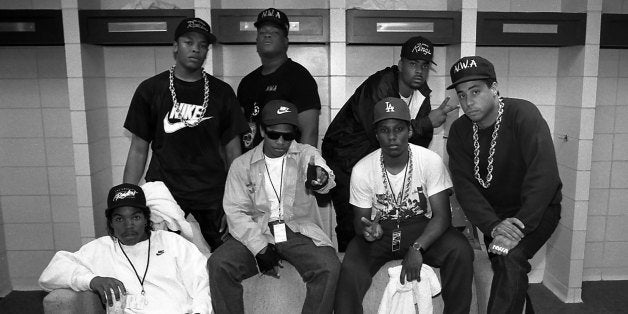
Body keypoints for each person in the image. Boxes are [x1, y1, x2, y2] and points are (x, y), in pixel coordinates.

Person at [334, 98, 474, 314]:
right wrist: (367, 230)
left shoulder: (429, 160)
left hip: (419, 226)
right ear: (376, 134)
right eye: (384, 130)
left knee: (460, 249)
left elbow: (442, 216)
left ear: (409, 131)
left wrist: (418, 248)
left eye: (398, 129)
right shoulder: (362, 169)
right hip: (382, 231)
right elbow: (359, 221)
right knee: (351, 266)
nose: (392, 137)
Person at [445, 56, 562, 313]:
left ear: (494, 88)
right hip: (495, 219)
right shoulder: (459, 132)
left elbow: (544, 177)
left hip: (537, 212)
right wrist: (494, 226)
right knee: (507, 266)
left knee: (509, 258)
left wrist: (518, 227)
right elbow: (465, 188)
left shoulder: (523, 115)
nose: (468, 101)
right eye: (462, 95)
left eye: (476, 91)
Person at [122, 17, 248, 252]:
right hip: (165, 191)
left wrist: (235, 201)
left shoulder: (222, 93)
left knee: (222, 260)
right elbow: (138, 149)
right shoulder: (151, 89)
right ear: (175, 46)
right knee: (162, 257)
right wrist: (126, 198)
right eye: (189, 42)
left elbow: (234, 152)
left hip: (212, 193)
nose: (196, 49)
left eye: (202, 45)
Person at [322, 36, 458, 251]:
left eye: (424, 65)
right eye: (413, 64)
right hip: (345, 160)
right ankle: (348, 264)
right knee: (352, 222)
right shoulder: (381, 85)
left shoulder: (421, 94)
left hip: (379, 164)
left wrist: (425, 126)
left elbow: (419, 142)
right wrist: (427, 122)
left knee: (387, 221)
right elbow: (380, 132)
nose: (419, 71)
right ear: (401, 64)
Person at [208, 100, 340, 314]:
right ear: (262, 130)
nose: (281, 141)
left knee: (329, 267)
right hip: (257, 228)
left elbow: (324, 177)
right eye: (274, 134)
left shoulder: (306, 153)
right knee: (218, 264)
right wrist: (260, 247)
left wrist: (320, 178)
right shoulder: (242, 164)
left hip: (298, 230)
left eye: (288, 136)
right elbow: (235, 211)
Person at [39, 183, 211, 313]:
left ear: (146, 218)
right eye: (119, 219)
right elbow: (50, 274)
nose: (128, 225)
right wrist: (92, 280)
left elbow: (203, 286)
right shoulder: (101, 249)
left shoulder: (173, 244)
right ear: (111, 223)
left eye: (135, 217)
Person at [238, 7, 321, 151]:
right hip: (252, 166)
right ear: (256, 41)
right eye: (262, 33)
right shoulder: (247, 82)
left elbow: (310, 132)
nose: (267, 36)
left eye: (274, 32)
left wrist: (304, 169)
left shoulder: (299, 77)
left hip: (286, 168)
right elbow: (239, 130)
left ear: (285, 41)